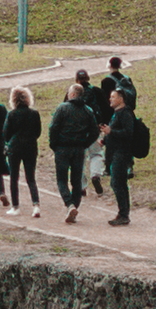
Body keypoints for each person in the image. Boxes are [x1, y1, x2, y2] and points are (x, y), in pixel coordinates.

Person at [48, 82, 99, 224]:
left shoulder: (62, 108)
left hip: (63, 148)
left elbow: (53, 128)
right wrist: (85, 144)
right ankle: (74, 207)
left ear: (71, 94)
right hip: (78, 149)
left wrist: (54, 145)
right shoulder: (88, 110)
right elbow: (95, 131)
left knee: (61, 179)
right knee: (77, 182)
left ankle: (69, 204)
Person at [3, 85, 43, 218]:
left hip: (15, 147)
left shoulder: (11, 114)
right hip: (31, 146)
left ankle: (15, 206)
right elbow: (38, 132)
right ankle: (36, 205)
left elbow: (6, 134)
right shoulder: (34, 113)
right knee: (31, 177)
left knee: (14, 177)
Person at [101, 87, 137, 226]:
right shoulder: (116, 113)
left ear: (121, 99)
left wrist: (111, 131)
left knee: (118, 182)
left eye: (113, 97)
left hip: (122, 153)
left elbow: (128, 133)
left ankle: (123, 214)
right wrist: (104, 139)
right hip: (115, 152)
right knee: (117, 182)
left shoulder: (126, 113)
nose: (110, 99)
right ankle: (123, 213)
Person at [78, 68, 109, 194]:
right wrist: (104, 125)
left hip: (78, 131)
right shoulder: (96, 91)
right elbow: (106, 108)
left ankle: (81, 186)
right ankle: (95, 175)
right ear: (88, 78)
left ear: (77, 80)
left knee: (79, 158)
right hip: (94, 129)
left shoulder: (73, 92)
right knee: (96, 154)